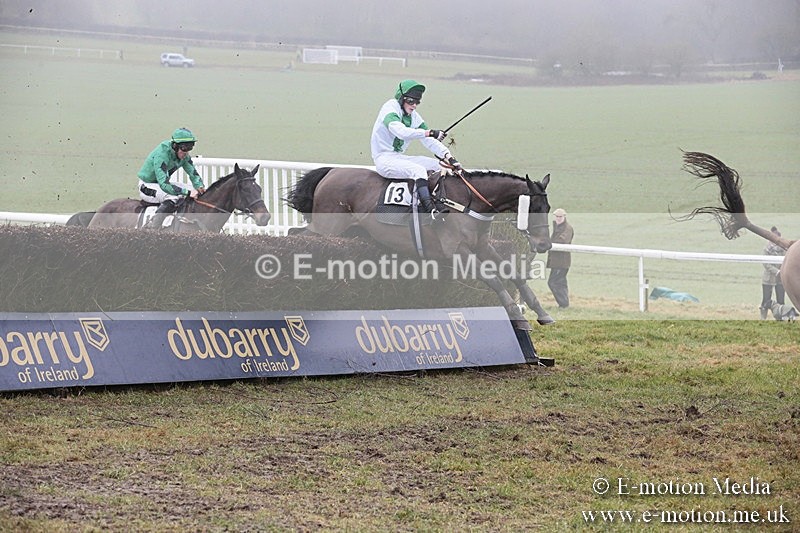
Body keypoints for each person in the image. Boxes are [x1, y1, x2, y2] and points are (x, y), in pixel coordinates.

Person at [370, 79, 461, 218]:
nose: (414, 106)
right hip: (383, 159)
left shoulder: (414, 116)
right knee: (418, 170)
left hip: (398, 158)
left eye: (417, 102)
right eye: (411, 101)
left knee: (440, 166)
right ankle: (429, 210)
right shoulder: (390, 108)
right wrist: (429, 132)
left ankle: (441, 202)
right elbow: (401, 131)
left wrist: (449, 157)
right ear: (401, 98)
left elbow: (429, 141)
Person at [138, 128, 206, 229]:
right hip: (147, 186)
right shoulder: (162, 155)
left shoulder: (184, 156)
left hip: (160, 185)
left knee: (192, 189)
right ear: (175, 146)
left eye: (189, 148)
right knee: (173, 197)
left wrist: (200, 186)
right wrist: (187, 192)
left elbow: (193, 174)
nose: (186, 152)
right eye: (184, 148)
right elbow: (164, 184)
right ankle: (153, 229)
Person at [546, 208, 574, 308]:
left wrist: (549, 243)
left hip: (561, 262)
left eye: (560, 217)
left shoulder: (567, 228)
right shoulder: (557, 227)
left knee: (553, 282)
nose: (558, 218)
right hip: (558, 261)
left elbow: (563, 241)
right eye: (557, 216)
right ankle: (563, 304)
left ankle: (563, 304)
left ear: (564, 217)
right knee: (560, 282)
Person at [760, 226, 786, 319]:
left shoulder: (783, 249)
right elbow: (766, 263)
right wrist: (777, 272)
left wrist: (781, 272)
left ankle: (780, 317)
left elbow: (786, 261)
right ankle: (763, 318)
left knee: (781, 299)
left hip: (780, 278)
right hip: (768, 278)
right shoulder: (767, 249)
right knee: (766, 299)